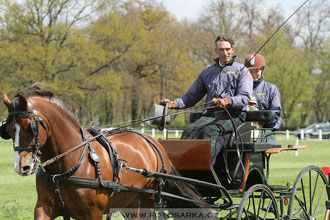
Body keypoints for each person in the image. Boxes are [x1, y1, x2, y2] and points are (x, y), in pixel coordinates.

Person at [160, 35, 253, 165]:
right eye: (221, 49)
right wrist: (174, 103)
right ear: (216, 51)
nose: (225, 53)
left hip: (234, 115)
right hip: (210, 114)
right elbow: (191, 96)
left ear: (233, 49)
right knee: (189, 131)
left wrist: (227, 101)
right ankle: (182, 168)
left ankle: (204, 169)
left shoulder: (242, 71)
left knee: (207, 131)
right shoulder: (208, 71)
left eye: (227, 49)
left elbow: (244, 97)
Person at [244, 53, 282, 130]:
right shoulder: (241, 88)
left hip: (267, 129)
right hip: (244, 129)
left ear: (262, 70)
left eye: (256, 71)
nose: (253, 75)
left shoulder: (271, 89)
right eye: (250, 72)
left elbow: (276, 113)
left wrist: (260, 118)